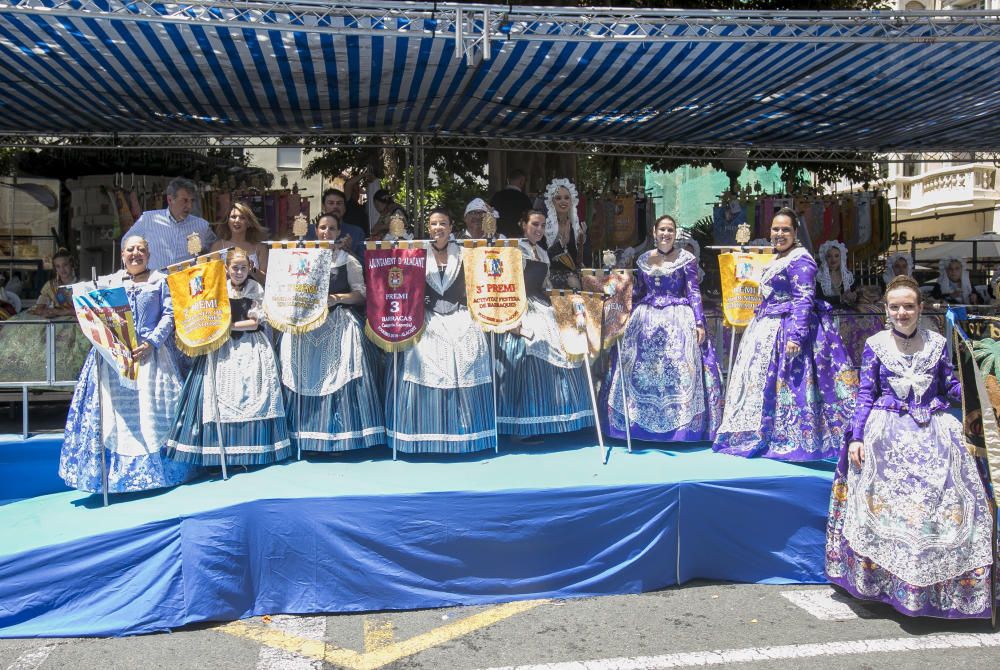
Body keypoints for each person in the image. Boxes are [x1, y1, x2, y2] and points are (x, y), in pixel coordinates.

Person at [826, 275, 996, 619]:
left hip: (934, 429)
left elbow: (949, 386)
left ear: (920, 308)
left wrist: (983, 398)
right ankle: (885, 583)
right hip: (886, 431)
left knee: (951, 496)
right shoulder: (876, 344)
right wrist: (857, 437)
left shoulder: (935, 343)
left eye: (908, 306)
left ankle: (942, 588)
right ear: (886, 310)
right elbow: (865, 394)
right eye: (894, 307)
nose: (901, 312)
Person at [713, 208, 858, 461]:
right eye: (775, 229)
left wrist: (796, 336)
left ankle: (795, 437)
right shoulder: (778, 258)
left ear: (795, 233)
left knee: (794, 386)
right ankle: (766, 432)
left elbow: (804, 298)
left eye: (785, 230)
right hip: (769, 325)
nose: (779, 234)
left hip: (789, 329)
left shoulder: (801, 259)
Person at [59, 236, 197, 493]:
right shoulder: (110, 282)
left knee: (153, 411)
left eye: (141, 250)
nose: (136, 254)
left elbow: (169, 314)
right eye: (130, 250)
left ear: (149, 253)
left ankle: (160, 474)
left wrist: (152, 342)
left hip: (152, 357)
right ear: (122, 254)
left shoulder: (159, 280)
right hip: (116, 359)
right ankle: (114, 477)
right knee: (116, 415)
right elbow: (91, 307)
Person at [165, 248, 290, 467]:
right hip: (221, 348)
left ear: (249, 268)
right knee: (217, 396)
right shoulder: (218, 288)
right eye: (235, 267)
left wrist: (227, 327)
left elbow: (256, 322)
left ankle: (250, 450)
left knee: (251, 393)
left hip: (250, 345)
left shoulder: (255, 288)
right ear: (226, 268)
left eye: (243, 268)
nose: (239, 272)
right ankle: (219, 453)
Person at [386, 208, 496, 454]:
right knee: (422, 353)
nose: (438, 228)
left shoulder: (465, 252)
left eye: (442, 223)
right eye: (434, 223)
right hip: (428, 314)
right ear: (429, 227)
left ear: (450, 226)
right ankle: (424, 430)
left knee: (469, 347)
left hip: (460, 313)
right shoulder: (417, 253)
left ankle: (466, 431)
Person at [605, 215, 723, 442]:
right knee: (636, 366)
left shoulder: (686, 259)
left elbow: (693, 292)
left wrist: (699, 322)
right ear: (654, 232)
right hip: (645, 319)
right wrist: (623, 316)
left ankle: (682, 429)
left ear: (675, 233)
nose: (666, 234)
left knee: (681, 366)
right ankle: (635, 424)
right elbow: (638, 292)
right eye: (662, 230)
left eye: (670, 230)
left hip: (677, 319)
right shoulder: (643, 259)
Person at [280, 213, 385, 453]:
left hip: (339, 320)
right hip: (307, 324)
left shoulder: (347, 260)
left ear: (338, 232)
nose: (327, 232)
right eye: (323, 228)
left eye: (332, 228)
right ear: (316, 231)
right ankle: (305, 434)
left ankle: (343, 436)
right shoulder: (301, 258)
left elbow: (361, 295)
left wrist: (336, 298)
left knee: (346, 370)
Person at [496, 210, 594, 439]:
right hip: (519, 305)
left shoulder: (542, 251)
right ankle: (524, 424)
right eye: (534, 224)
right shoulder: (513, 249)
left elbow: (545, 285)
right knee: (532, 346)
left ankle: (560, 416)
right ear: (524, 225)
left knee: (566, 338)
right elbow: (505, 283)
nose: (538, 229)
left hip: (541, 304)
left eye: (542, 225)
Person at [0, 249, 90, 385]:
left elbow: (86, 308)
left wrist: (61, 312)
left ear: (72, 265)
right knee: (21, 328)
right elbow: (40, 306)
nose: (62, 270)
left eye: (65, 265)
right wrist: (46, 311)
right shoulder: (50, 285)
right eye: (58, 267)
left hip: (75, 319)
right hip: (55, 318)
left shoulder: (82, 284)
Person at [124, 177, 215, 271]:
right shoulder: (149, 220)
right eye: (185, 200)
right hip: (155, 282)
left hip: (187, 282)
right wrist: (136, 271)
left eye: (192, 200)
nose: (190, 206)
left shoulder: (202, 226)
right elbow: (126, 243)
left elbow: (215, 250)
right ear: (170, 200)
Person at [210, 202, 270, 284]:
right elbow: (212, 277)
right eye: (233, 217)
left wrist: (253, 269)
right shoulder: (218, 247)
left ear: (249, 223)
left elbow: (266, 280)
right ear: (227, 221)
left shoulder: (260, 247)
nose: (237, 220)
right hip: (226, 295)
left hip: (255, 295)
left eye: (242, 218)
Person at [543, 178, 587, 290]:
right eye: (558, 198)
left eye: (567, 198)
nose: (563, 201)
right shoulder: (544, 226)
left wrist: (581, 241)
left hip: (573, 273)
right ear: (552, 202)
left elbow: (579, 261)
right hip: (550, 273)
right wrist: (561, 244)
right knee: (573, 281)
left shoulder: (576, 226)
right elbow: (542, 257)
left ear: (571, 201)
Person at [314, 188, 366, 260]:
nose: (335, 206)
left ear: (345, 208)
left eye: (339, 203)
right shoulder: (309, 231)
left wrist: (348, 250)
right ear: (323, 207)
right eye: (331, 203)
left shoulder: (357, 232)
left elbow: (364, 265)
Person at [491, 168, 534, 239]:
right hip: (518, 239)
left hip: (498, 238)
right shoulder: (524, 199)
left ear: (508, 180)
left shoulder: (496, 196)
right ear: (521, 181)